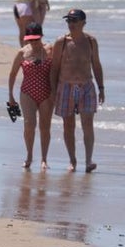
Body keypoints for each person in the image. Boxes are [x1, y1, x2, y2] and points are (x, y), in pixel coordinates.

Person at [49, 9, 105, 172]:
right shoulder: (62, 42)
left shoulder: (91, 41)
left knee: (88, 124)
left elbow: (96, 64)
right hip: (65, 86)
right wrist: (53, 90)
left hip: (87, 86)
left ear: (83, 23)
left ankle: (88, 161)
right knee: (68, 125)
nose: (71, 24)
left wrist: (101, 87)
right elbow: (55, 68)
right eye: (68, 21)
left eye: (74, 20)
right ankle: (72, 160)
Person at [8, 22, 54, 170]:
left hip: (47, 92)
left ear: (41, 36)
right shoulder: (22, 53)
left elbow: (59, 70)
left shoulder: (50, 50)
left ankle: (44, 159)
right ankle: (29, 155)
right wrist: (10, 96)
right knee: (29, 124)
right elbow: (13, 74)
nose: (33, 42)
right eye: (30, 39)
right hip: (27, 92)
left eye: (36, 39)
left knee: (45, 127)